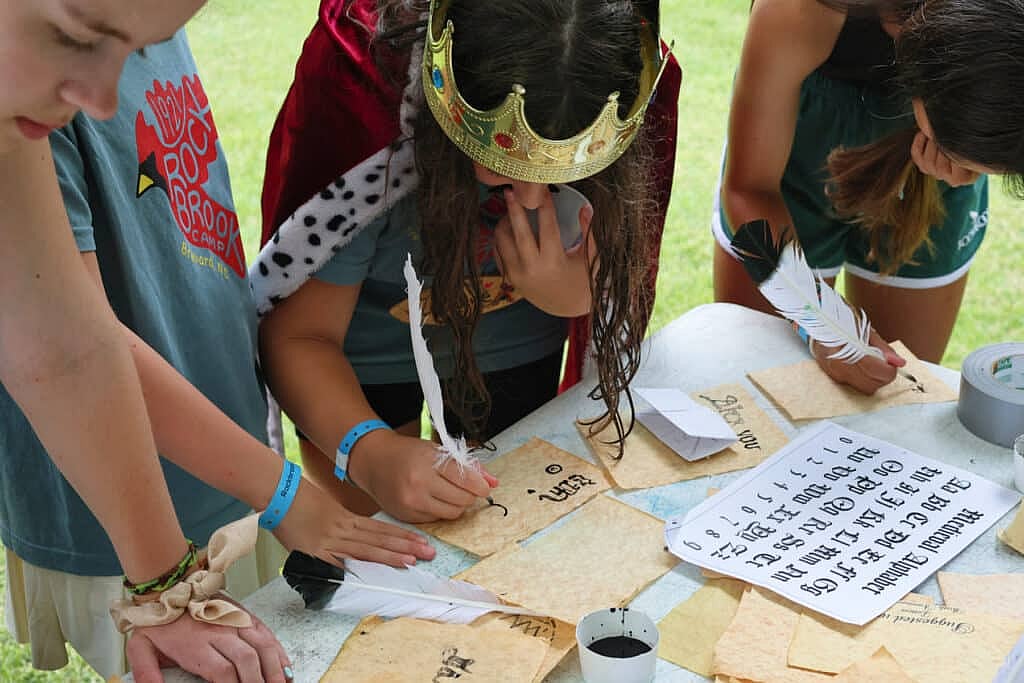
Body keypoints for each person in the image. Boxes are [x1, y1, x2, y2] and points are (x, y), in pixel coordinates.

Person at [0, 3, 434, 681]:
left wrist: (167, 581)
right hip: (111, 491)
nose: (103, 97)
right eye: (75, 36)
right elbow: (66, 338)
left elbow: (65, 336)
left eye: (148, 44)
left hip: (213, 483)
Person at [255, 0, 681, 521]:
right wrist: (370, 452)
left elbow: (617, 281)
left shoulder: (614, 73)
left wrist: (578, 296)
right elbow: (298, 336)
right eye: (504, 167)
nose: (529, 197)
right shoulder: (363, 98)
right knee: (372, 530)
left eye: (561, 173)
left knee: (507, 520)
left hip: (515, 353)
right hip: (355, 364)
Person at [711, 0, 1021, 395]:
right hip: (797, 144)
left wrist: (965, 161)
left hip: (933, 145)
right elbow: (748, 189)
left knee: (898, 394)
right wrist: (817, 317)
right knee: (760, 386)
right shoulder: (799, 11)